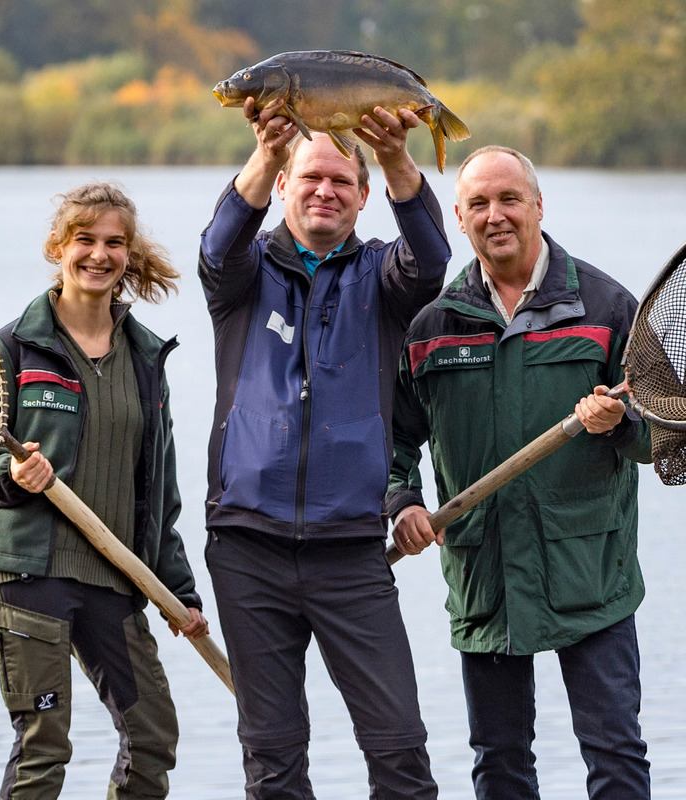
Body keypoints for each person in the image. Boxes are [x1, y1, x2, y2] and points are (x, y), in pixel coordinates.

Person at [197, 95, 451, 799]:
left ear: (364, 198)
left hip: (352, 551)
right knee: (274, 765)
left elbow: (431, 259)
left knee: (400, 753)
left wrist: (400, 158)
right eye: (309, 177)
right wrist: (266, 150)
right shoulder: (242, 277)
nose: (325, 191)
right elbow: (216, 246)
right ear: (284, 187)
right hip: (248, 547)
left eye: (342, 182)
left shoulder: (383, 278)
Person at [386, 145, 653, 799]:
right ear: (459, 215)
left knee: (615, 757)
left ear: (539, 205)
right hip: (487, 577)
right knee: (500, 763)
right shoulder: (432, 328)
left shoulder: (606, 307)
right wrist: (404, 503)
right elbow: (392, 443)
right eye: (478, 203)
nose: (495, 214)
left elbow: (667, 439)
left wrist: (618, 424)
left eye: (509, 199)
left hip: (592, 575)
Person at [0, 182, 209, 800]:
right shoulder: (15, 345)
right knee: (45, 744)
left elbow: (158, 489)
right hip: (25, 572)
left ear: (129, 254)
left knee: (153, 734)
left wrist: (178, 592)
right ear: (58, 247)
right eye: (85, 241)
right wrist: (13, 478)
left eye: (114, 243)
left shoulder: (145, 356)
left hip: (114, 574)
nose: (99, 255)